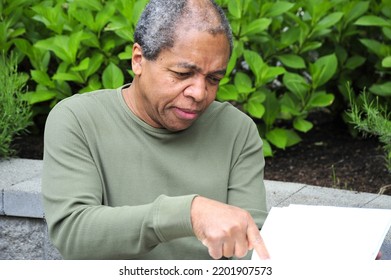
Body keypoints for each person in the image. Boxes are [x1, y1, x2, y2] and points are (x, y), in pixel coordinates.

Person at [42, 0, 269, 260]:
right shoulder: (78, 120)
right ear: (138, 60)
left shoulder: (237, 131)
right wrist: (188, 213)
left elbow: (254, 247)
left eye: (213, 79)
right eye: (183, 73)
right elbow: (73, 234)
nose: (199, 93)